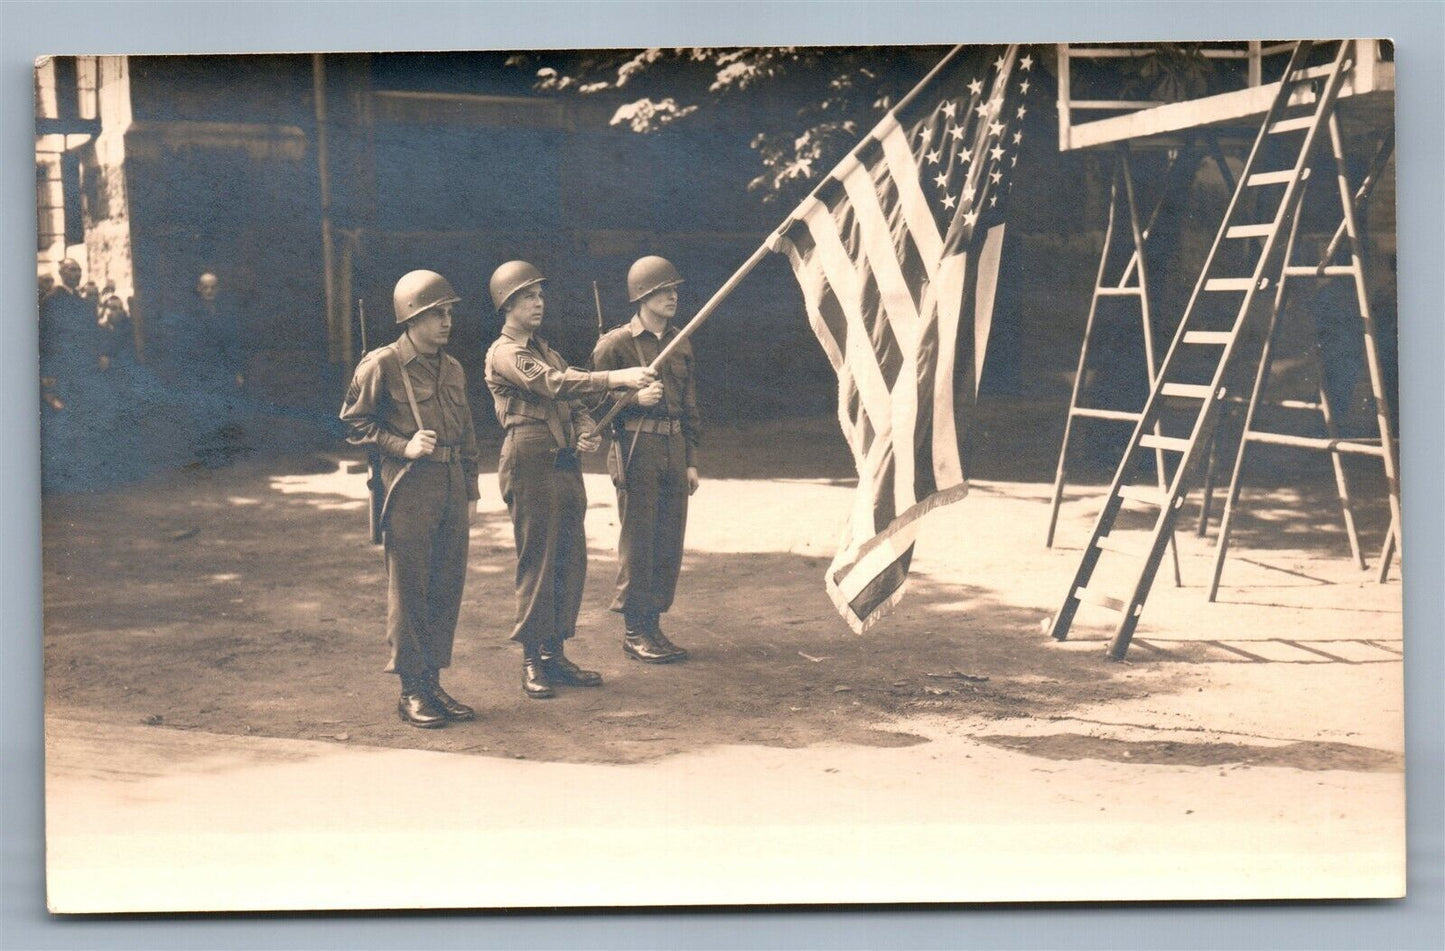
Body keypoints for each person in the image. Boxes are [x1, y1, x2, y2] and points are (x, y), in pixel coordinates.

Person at [483, 260, 656, 699]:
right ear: (507, 304)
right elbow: (556, 385)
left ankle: (554, 654)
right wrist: (617, 377)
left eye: (540, 296)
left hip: (562, 461)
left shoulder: (547, 350)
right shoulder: (507, 353)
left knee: (568, 558)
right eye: (528, 297)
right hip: (528, 460)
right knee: (538, 561)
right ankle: (530, 660)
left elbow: (574, 400)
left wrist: (582, 429)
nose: (538, 303)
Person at [340, 270, 482, 729]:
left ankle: (434, 681)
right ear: (410, 318)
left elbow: (468, 435)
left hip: (451, 484)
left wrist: (473, 490)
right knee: (410, 589)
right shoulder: (382, 365)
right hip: (408, 488)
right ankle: (411, 689)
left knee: (446, 585)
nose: (446, 322)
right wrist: (403, 446)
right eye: (435, 314)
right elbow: (354, 424)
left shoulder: (454, 368)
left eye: (448, 313)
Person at [591, 256, 701, 664]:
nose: (672, 297)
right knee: (639, 540)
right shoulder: (615, 345)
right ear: (642, 297)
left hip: (673, 448)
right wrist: (633, 399)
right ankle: (634, 630)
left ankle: (653, 624)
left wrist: (691, 459)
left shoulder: (681, 341)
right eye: (663, 291)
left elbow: (689, 406)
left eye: (674, 290)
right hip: (636, 448)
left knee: (668, 540)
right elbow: (591, 402)